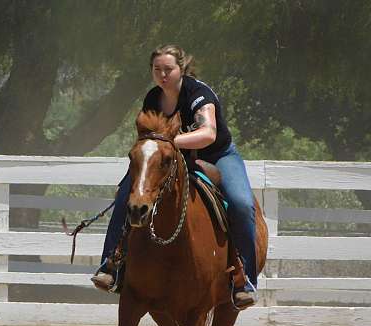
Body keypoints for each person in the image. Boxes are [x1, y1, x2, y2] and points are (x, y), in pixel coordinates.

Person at [91, 44, 258, 308]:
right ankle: (112, 264)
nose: (162, 74)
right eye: (157, 69)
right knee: (127, 194)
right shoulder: (152, 99)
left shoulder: (198, 95)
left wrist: (171, 141)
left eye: (168, 69)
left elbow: (208, 134)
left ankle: (244, 279)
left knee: (240, 203)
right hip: (172, 158)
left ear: (181, 68)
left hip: (217, 155)